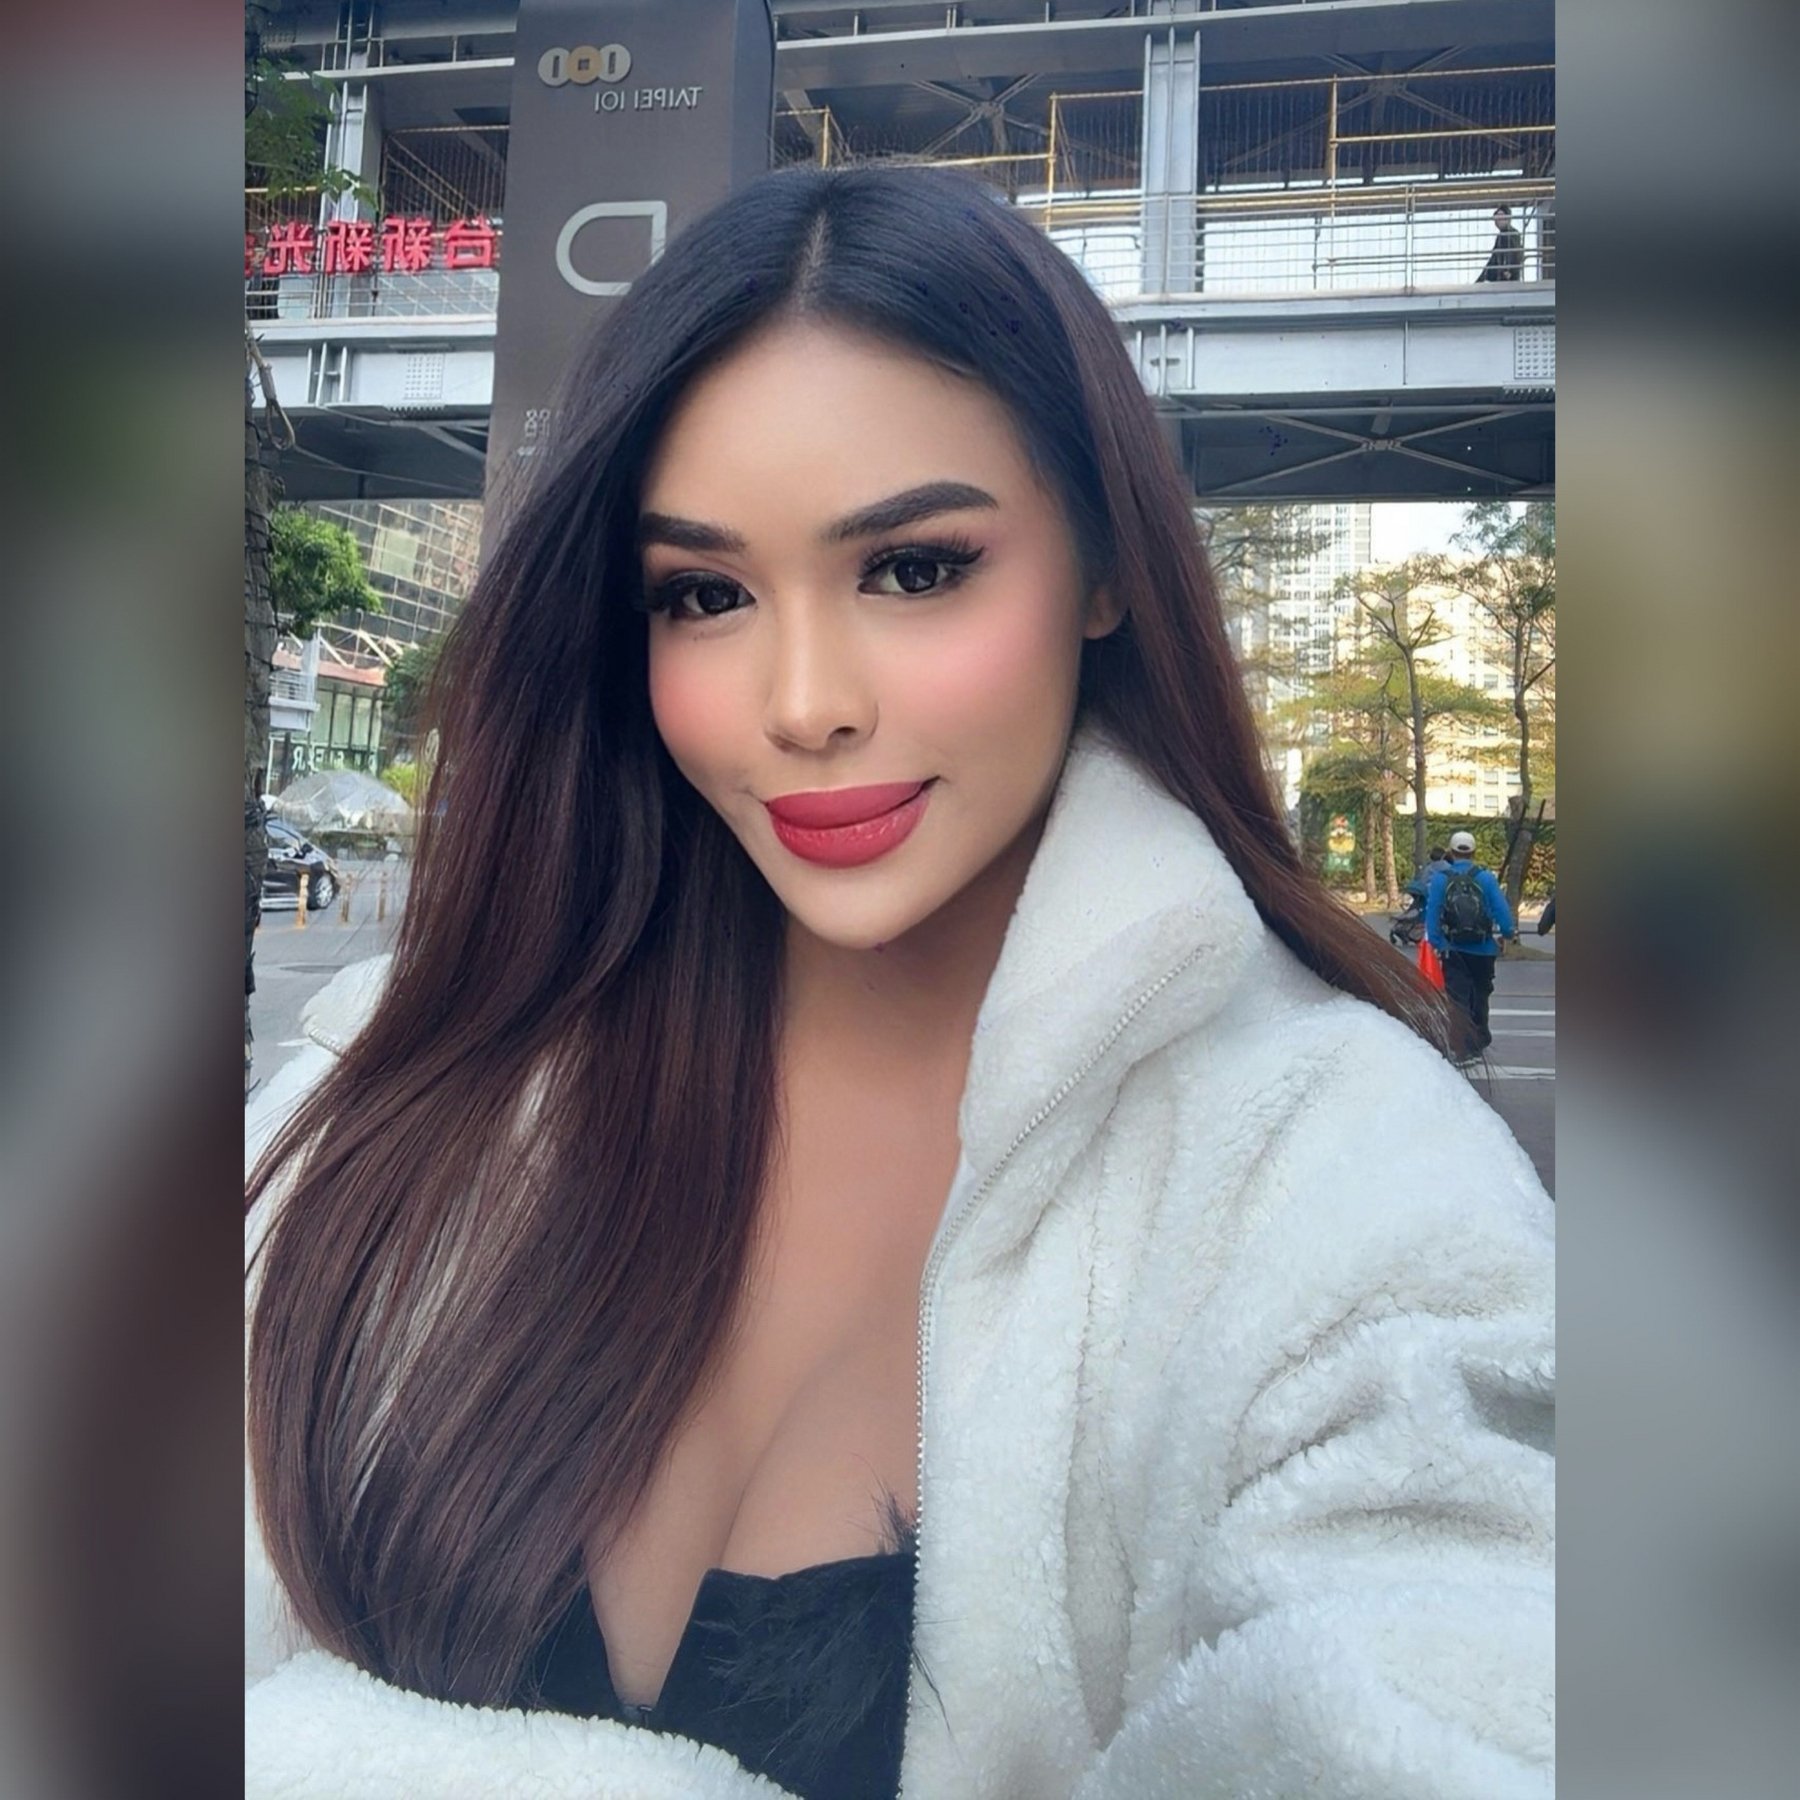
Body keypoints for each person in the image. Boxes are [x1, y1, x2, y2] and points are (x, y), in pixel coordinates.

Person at [246, 165, 1554, 1799]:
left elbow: (1453, 1669)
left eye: (916, 569)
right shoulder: (407, 1083)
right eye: (704, 594)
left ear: (1104, 568)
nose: (804, 704)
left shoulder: (1339, 1179)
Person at [1425, 829, 1518, 1057]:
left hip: (1453, 949)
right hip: (1483, 949)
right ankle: (1479, 1039)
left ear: (1451, 852)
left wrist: (1438, 943)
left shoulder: (1440, 879)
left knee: (1457, 997)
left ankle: (1461, 1043)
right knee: (1480, 994)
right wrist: (1507, 933)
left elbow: (1432, 914)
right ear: (1474, 852)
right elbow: (1502, 912)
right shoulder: (1486, 878)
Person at [1476, 204, 1524, 282]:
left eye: (1501, 217)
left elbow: (1515, 253)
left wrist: (1508, 270)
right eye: (1497, 218)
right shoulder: (1503, 235)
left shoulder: (1511, 234)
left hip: (1507, 275)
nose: (1498, 221)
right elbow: (1495, 257)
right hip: (1503, 273)